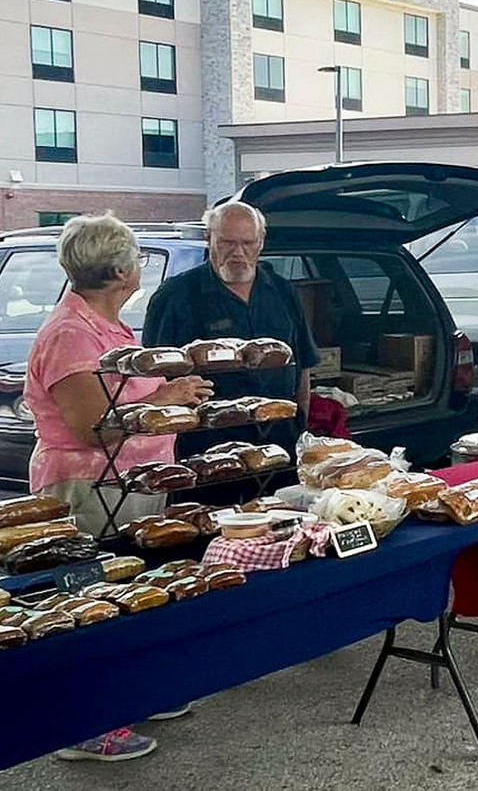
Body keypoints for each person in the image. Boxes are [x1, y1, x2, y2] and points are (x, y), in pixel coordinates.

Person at [26, 214, 213, 762]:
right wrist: (165, 399)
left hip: (132, 483)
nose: (138, 267)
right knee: (85, 601)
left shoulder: (108, 328)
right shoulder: (70, 335)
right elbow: (91, 426)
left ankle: (131, 695)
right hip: (88, 488)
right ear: (116, 271)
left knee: (129, 592)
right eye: (132, 257)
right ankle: (83, 726)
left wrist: (175, 393)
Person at [142, 201, 319, 456]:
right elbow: (154, 380)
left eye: (247, 243)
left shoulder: (283, 291)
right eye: (227, 242)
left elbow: (303, 368)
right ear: (209, 238)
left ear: (261, 242)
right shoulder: (176, 297)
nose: (238, 253)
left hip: (280, 441)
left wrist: (301, 426)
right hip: (207, 447)